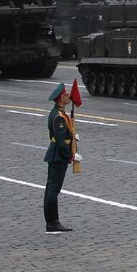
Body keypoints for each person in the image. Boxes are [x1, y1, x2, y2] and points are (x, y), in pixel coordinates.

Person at [43, 83, 77, 233]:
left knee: (51, 188)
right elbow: (61, 141)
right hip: (58, 155)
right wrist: (71, 155)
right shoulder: (58, 117)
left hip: (56, 154)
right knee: (53, 190)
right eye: (66, 95)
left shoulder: (59, 113)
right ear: (61, 98)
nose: (69, 96)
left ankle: (51, 222)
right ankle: (52, 222)